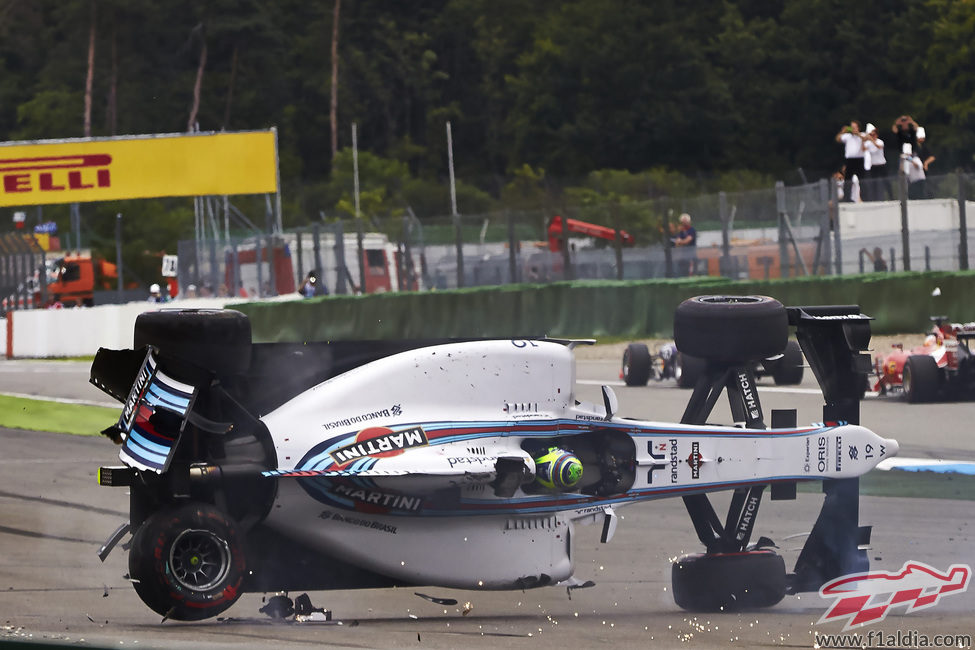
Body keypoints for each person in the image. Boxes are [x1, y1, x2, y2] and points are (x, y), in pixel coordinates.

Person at [836, 121, 866, 202]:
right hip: (850, 160)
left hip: (859, 160)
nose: (852, 129)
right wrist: (843, 131)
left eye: (854, 127)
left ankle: (864, 197)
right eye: (851, 127)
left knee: (862, 180)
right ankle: (847, 198)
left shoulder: (862, 135)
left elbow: (866, 138)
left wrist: (857, 134)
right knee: (848, 180)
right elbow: (838, 139)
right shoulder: (847, 136)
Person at [863, 123, 891, 201]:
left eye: (873, 134)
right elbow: (863, 149)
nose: (872, 136)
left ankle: (891, 196)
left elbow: (879, 147)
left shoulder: (880, 142)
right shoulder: (868, 143)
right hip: (873, 166)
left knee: (886, 181)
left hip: (881, 165)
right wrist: (863, 140)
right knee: (873, 183)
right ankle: (874, 198)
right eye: (871, 135)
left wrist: (871, 139)